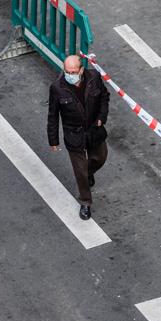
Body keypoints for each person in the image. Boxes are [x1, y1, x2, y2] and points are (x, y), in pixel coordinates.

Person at [48, 54, 110, 220]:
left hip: (94, 130)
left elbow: (104, 97)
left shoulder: (94, 78)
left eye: (74, 71)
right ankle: (85, 202)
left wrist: (101, 118)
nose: (70, 74)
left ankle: (89, 173)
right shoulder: (57, 88)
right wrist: (53, 140)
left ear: (81, 70)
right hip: (74, 134)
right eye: (67, 71)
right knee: (80, 171)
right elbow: (53, 115)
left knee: (100, 157)